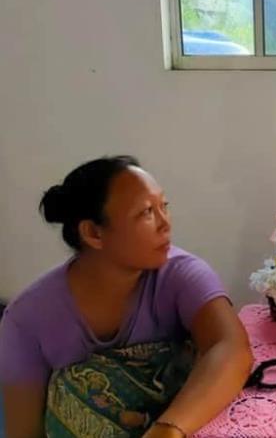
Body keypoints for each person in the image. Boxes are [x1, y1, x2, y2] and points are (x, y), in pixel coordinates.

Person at [0, 156, 254, 438]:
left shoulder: (182, 274)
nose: (165, 224)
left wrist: (167, 431)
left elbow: (230, 347)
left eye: (164, 207)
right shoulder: (26, 320)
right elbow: (24, 431)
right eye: (146, 212)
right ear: (93, 233)